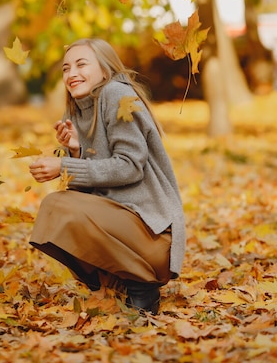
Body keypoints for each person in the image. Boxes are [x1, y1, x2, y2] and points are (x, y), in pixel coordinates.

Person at [28, 38, 185, 314]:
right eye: (65, 68)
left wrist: (65, 167)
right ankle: (115, 283)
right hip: (123, 226)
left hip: (152, 233)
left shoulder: (117, 95)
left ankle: (142, 286)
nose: (71, 73)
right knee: (57, 209)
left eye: (81, 64)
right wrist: (76, 152)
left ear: (104, 69)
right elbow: (93, 196)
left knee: (58, 207)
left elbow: (129, 167)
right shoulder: (76, 111)